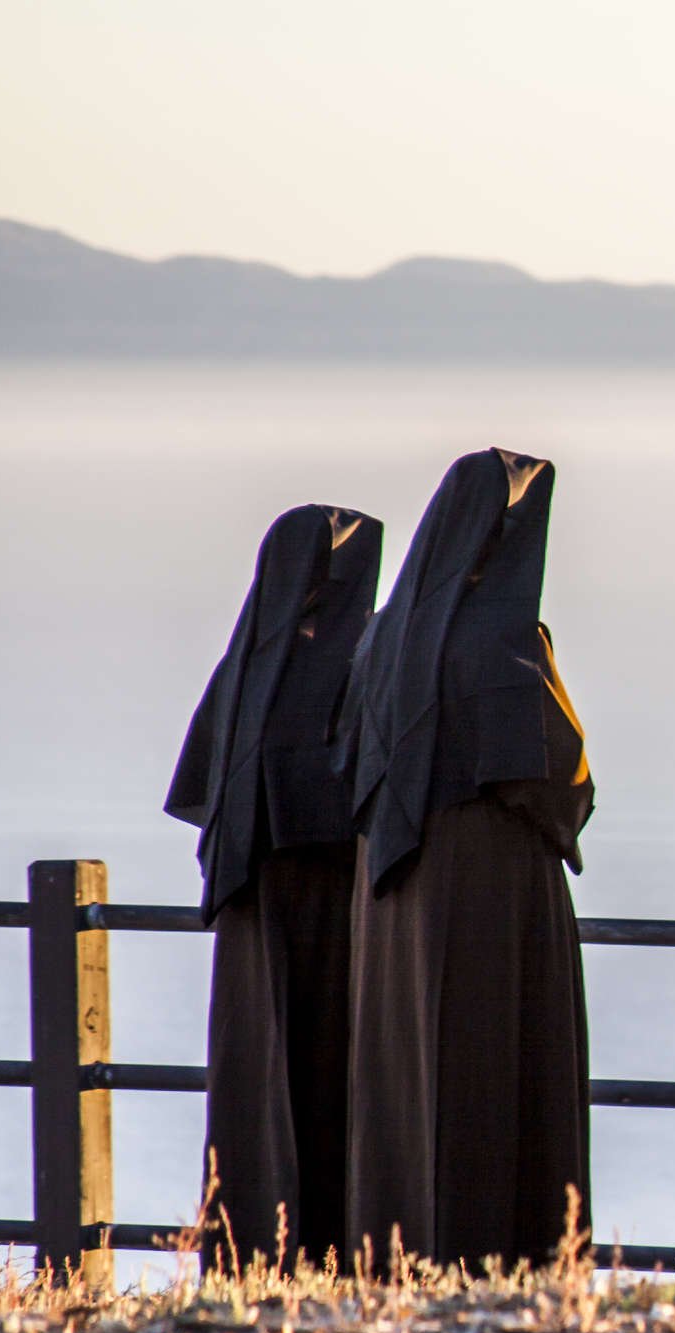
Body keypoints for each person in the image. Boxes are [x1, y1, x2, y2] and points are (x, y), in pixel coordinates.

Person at [337, 448, 592, 1272]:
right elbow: (553, 770)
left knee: (407, 1076)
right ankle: (495, 1259)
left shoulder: (384, 632)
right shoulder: (504, 639)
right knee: (490, 1071)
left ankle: (400, 1254)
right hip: (489, 885)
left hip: (392, 892)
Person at [167, 504, 383, 1272]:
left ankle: (253, 1248)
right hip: (343, 905)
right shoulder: (369, 655)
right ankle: (340, 1247)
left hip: (256, 903)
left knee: (261, 1080)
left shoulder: (246, 662)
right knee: (343, 1076)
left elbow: (206, 790)